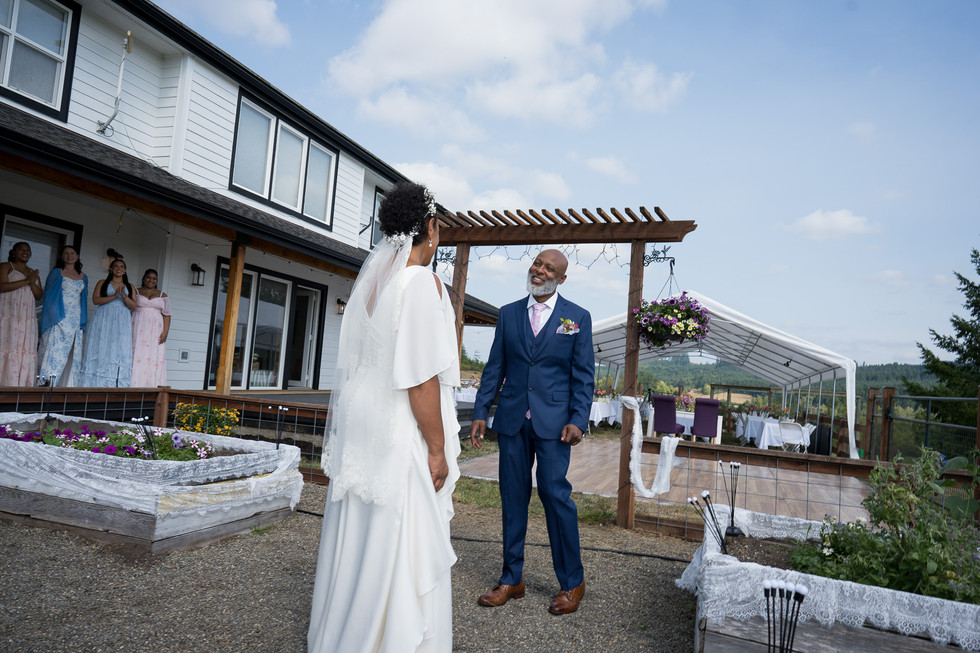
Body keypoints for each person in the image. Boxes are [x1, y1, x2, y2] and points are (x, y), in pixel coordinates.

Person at [309, 182, 460, 652]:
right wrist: (437, 449)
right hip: (396, 427)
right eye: (439, 227)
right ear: (430, 229)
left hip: (363, 418)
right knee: (399, 527)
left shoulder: (376, 282)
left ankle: (347, 628)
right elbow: (419, 379)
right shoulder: (420, 282)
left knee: (361, 524)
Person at [470, 249, 595, 615]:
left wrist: (578, 419)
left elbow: (583, 376)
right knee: (512, 497)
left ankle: (572, 582)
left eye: (549, 268)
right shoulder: (509, 314)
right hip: (512, 419)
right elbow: (495, 366)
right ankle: (512, 578)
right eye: (538, 263)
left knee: (556, 498)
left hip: (556, 424)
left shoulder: (577, 317)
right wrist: (481, 410)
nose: (540, 271)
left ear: (562, 278)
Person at [79, 258, 136, 387]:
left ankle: (115, 382)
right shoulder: (103, 282)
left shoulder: (130, 286)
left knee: (118, 348)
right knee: (102, 344)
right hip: (104, 317)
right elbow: (95, 300)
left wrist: (124, 296)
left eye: (122, 266)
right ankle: (95, 382)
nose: (119, 268)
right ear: (110, 269)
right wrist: (113, 297)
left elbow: (134, 305)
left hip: (122, 320)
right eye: (116, 266)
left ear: (125, 270)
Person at [37, 245, 88, 387]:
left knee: (71, 352)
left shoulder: (83, 277)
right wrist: (54, 316)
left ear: (77, 257)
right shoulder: (56, 272)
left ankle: (66, 386)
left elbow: (83, 299)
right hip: (58, 316)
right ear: (62, 257)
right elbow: (49, 296)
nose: (69, 256)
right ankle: (46, 383)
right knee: (54, 350)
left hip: (75, 317)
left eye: (72, 253)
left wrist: (82, 322)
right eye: (66, 253)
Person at [0, 242, 43, 385]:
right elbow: (2, 286)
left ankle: (19, 384)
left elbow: (38, 295)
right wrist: (26, 281)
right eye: (22, 249)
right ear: (13, 251)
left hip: (25, 315)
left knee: (23, 347)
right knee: (6, 343)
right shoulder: (6, 266)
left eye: (28, 250)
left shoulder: (32, 272)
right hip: (9, 312)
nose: (26, 252)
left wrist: (31, 282)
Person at [131, 269, 171, 387]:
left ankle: (151, 384)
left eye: (154, 278)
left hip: (155, 330)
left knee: (153, 355)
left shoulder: (162, 295)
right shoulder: (136, 291)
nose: (151, 280)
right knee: (137, 352)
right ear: (144, 278)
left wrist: (165, 332)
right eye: (148, 277)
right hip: (137, 327)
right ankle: (134, 384)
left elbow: (167, 315)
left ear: (157, 281)